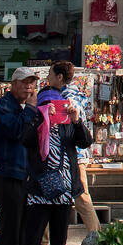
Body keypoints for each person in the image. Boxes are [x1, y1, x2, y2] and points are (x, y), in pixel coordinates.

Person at [12, 84, 91, 245]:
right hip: (39, 193)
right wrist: (41, 118)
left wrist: (75, 120)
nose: (53, 108)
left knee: (60, 244)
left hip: (63, 194)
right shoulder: (35, 125)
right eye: (47, 105)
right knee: (30, 243)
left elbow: (85, 141)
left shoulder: (68, 127)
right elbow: (24, 139)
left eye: (56, 104)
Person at [0, 68, 43, 245]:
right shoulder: (4, 107)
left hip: (25, 175)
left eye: (32, 83)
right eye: (24, 83)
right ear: (13, 84)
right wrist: (31, 109)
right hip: (8, 174)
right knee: (11, 231)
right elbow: (16, 131)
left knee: (21, 231)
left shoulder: (25, 108)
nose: (29, 87)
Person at [42, 61, 100, 233]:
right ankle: (43, 238)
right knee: (50, 192)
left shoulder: (65, 99)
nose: (47, 78)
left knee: (81, 196)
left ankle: (95, 234)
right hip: (71, 155)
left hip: (73, 156)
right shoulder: (78, 95)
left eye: (50, 74)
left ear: (59, 77)